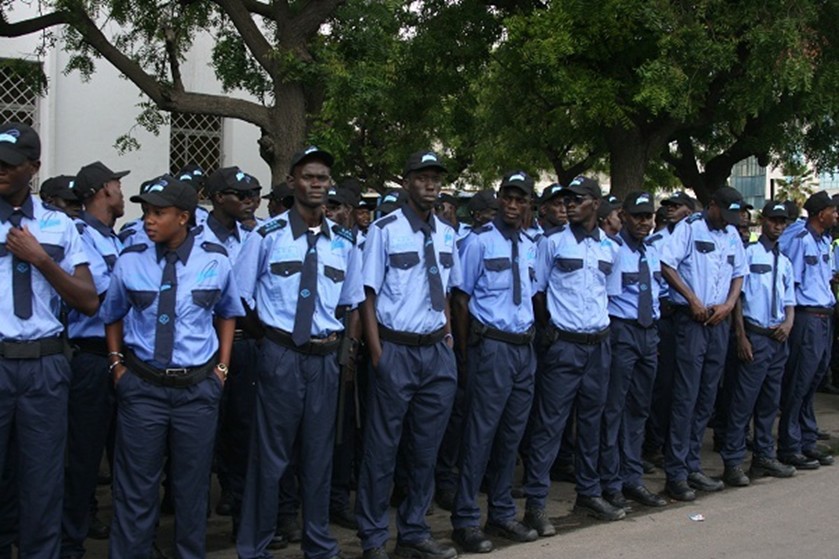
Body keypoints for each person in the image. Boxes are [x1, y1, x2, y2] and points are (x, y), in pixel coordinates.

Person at [102, 174, 243, 558]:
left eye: (158, 212)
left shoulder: (214, 259)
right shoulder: (130, 260)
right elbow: (112, 313)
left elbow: (228, 312)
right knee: (135, 490)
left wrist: (222, 369)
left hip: (197, 391)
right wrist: (117, 366)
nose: (148, 219)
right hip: (143, 389)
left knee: (192, 489)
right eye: (146, 211)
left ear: (183, 217)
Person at [235, 146, 364, 559]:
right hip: (280, 356)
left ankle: (318, 543)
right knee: (270, 457)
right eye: (308, 177)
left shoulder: (344, 242)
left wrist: (343, 353)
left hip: (325, 359)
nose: (316, 184)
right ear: (292, 182)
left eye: (323, 178)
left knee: (319, 456)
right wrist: (269, 339)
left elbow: (350, 303)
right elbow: (240, 298)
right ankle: (254, 546)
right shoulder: (265, 235)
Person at [0, 122, 99, 556]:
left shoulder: (60, 225)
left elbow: (88, 301)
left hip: (44, 366)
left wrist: (41, 259)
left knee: (43, 479)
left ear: (34, 168)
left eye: (9, 164)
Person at [356, 150, 460, 559]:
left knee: (425, 449)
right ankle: (373, 537)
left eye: (436, 178)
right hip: (395, 349)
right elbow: (367, 294)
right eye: (422, 177)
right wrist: (378, 353)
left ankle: (414, 531)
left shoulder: (449, 233)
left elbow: (446, 291)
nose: (431, 184)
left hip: (435, 351)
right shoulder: (385, 230)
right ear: (406, 182)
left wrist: (449, 340)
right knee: (382, 451)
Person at [522, 176, 622, 533]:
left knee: (592, 423)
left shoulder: (610, 247)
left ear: (595, 203)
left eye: (577, 199)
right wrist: (549, 329)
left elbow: (608, 294)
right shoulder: (552, 242)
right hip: (563, 345)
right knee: (550, 426)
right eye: (566, 199)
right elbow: (538, 289)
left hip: (599, 345)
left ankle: (589, 492)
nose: (569, 205)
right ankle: (536, 503)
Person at [449, 171, 539, 553]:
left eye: (521, 199)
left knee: (511, 434)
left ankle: (501, 513)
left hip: (524, 347)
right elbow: (461, 299)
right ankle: (465, 519)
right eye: (508, 197)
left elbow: (536, 295)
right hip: (492, 348)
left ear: (528, 204)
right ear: (500, 199)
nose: (513, 205)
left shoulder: (533, 244)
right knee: (480, 435)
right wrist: (467, 355)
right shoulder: (478, 242)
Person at [659, 186, 746, 501]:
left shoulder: (732, 233)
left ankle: (693, 465)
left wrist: (728, 303)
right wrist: (692, 299)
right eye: (725, 213)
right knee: (686, 397)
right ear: (712, 206)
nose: (729, 220)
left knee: (707, 396)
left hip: (718, 322)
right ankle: (677, 473)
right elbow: (666, 265)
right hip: (692, 321)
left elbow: (740, 273)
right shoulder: (689, 229)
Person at [62, 160, 129, 557]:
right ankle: (71, 541)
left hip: (124, 356)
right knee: (83, 457)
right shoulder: (80, 234)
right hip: (91, 357)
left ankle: (128, 537)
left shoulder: (115, 238)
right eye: (118, 187)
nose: (122, 194)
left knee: (128, 455)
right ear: (104, 190)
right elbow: (104, 298)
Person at [720, 201, 797, 486]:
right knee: (743, 402)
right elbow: (737, 297)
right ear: (762, 221)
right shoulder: (749, 253)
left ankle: (764, 456)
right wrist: (740, 335)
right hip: (755, 335)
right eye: (774, 220)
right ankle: (732, 460)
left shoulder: (785, 260)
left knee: (769, 402)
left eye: (783, 221)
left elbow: (790, 299)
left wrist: (789, 323)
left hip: (778, 338)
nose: (778, 225)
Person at [599, 191, 668, 509]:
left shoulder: (652, 252)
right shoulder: (611, 251)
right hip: (621, 331)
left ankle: (632, 477)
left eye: (648, 216)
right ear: (623, 216)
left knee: (639, 408)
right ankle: (610, 482)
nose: (644, 222)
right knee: (614, 409)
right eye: (638, 216)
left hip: (647, 334)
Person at [777, 191, 838, 469]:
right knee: (799, 380)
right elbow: (790, 279)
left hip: (824, 314)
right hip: (805, 316)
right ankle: (789, 445)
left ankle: (806, 438)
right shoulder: (799, 238)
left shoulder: (824, 240)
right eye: (832, 210)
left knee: (814, 377)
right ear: (819, 213)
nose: (836, 215)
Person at [643, 191, 696, 466]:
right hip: (664, 314)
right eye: (668, 206)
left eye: (677, 206)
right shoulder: (656, 241)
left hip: (687, 317)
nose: (671, 210)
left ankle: (676, 445)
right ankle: (655, 444)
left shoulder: (696, 236)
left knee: (682, 385)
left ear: (690, 210)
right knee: (661, 385)